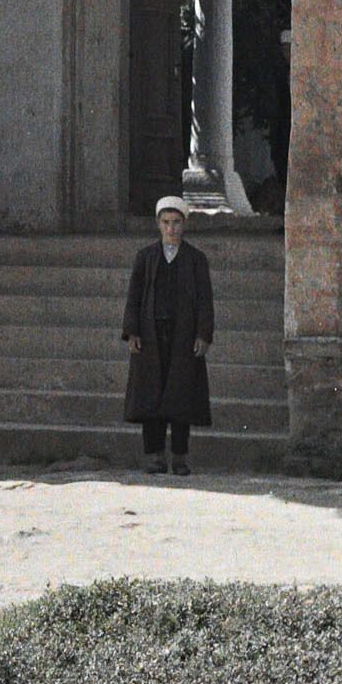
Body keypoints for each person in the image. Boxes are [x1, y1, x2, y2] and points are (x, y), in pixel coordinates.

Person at [122, 195, 214, 476]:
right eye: (165, 223)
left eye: (176, 223)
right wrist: (132, 331)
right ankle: (155, 456)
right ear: (158, 225)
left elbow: (204, 300)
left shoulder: (195, 259)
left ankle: (180, 457)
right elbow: (134, 296)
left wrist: (202, 334)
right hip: (151, 335)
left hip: (182, 336)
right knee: (151, 396)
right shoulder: (146, 257)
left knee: (180, 396)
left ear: (184, 225)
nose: (171, 229)